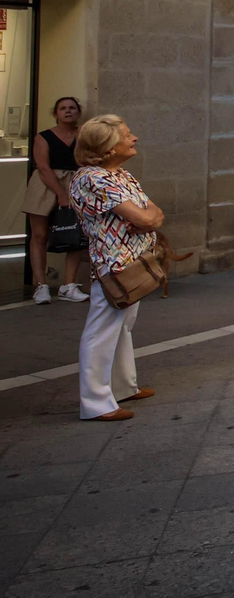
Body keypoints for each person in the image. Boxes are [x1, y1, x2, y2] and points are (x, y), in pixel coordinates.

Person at [70, 115, 163, 421]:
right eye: (126, 135)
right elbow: (146, 218)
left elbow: (154, 213)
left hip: (133, 261)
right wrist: (142, 218)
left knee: (122, 326)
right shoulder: (92, 179)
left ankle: (123, 386)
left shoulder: (120, 175)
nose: (133, 138)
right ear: (108, 148)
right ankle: (95, 403)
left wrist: (144, 218)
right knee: (102, 330)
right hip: (113, 265)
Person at [26, 96, 86, 304]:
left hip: (75, 183)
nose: (68, 111)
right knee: (40, 235)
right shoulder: (43, 137)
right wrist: (61, 194)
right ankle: (40, 285)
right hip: (45, 184)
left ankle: (68, 285)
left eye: (72, 108)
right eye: (63, 108)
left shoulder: (85, 136)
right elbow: (43, 166)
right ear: (56, 113)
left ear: (78, 112)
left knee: (76, 235)